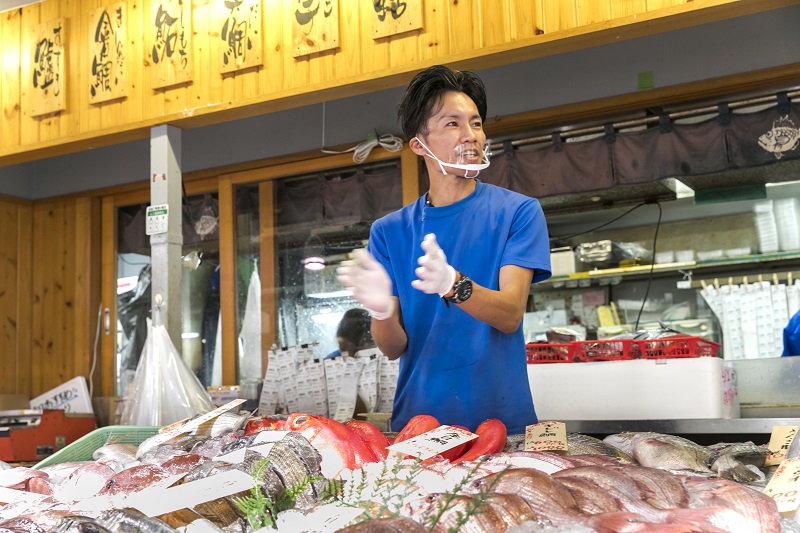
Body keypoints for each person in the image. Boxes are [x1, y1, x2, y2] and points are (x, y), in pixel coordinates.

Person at [337, 65, 552, 434]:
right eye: (453, 124)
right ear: (419, 145)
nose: (470, 135)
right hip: (420, 424)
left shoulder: (518, 211)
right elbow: (393, 348)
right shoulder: (389, 231)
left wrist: (454, 283)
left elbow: (510, 314)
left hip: (502, 423)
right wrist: (381, 311)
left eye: (477, 123)